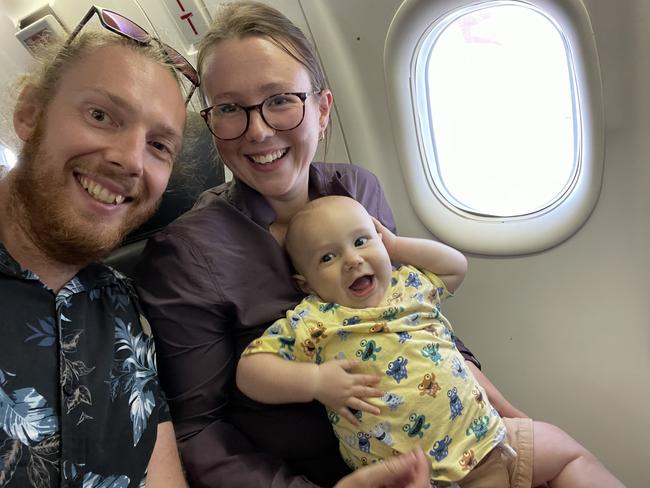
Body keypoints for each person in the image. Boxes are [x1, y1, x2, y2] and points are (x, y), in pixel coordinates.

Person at [134, 1, 522, 486]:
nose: (258, 131)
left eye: (280, 100)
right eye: (230, 109)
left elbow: (412, 314)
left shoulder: (358, 190)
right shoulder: (185, 256)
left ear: (321, 108)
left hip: (454, 439)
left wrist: (506, 415)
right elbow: (197, 431)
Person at [237, 195, 625, 488]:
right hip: (409, 476)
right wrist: (317, 383)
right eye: (327, 258)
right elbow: (250, 372)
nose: (353, 260)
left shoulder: (409, 284)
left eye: (361, 241)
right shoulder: (315, 320)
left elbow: (456, 266)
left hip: (487, 439)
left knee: (565, 450)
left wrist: (395, 247)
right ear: (306, 284)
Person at [0, 6, 198, 487]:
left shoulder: (125, 306)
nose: (131, 160)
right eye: (101, 115)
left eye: (158, 146)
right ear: (30, 113)